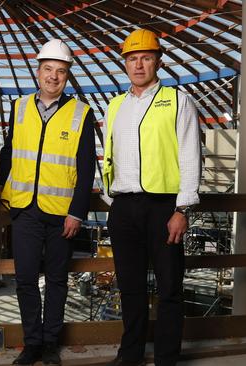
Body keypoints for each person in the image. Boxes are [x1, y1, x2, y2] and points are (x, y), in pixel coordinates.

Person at [102, 28, 201, 366]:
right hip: (123, 207)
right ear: (125, 64)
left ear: (158, 60)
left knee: (169, 288)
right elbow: (108, 157)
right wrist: (110, 201)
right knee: (130, 288)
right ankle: (129, 355)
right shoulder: (115, 106)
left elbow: (190, 157)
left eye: (145, 57)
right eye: (132, 58)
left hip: (164, 208)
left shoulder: (178, 101)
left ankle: (166, 359)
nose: (138, 64)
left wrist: (182, 208)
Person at [0, 39, 96, 366]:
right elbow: (7, 155)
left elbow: (86, 169)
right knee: (25, 279)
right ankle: (32, 344)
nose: (53, 76)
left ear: (67, 76)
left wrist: (77, 213)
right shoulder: (19, 107)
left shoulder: (81, 113)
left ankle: (51, 343)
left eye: (60, 71)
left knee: (57, 281)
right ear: (38, 72)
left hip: (61, 215)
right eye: (48, 70)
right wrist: (1, 194)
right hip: (24, 210)